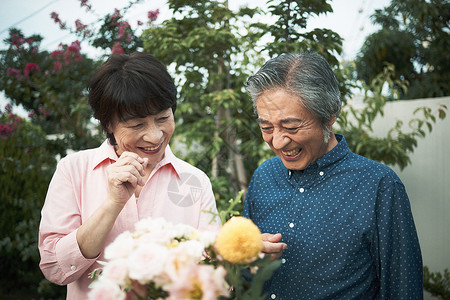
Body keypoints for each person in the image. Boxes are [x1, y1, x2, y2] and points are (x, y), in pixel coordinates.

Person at [38, 52, 220, 299]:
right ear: (109, 124)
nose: (155, 136)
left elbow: (212, 273)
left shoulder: (195, 181)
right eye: (137, 125)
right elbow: (56, 269)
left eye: (163, 118)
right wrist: (113, 203)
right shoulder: (73, 170)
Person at [242, 52, 423, 299]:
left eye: (292, 127)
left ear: (329, 115)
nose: (278, 140)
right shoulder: (264, 175)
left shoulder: (379, 185)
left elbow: (403, 290)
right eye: (266, 127)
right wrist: (248, 261)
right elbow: (243, 274)